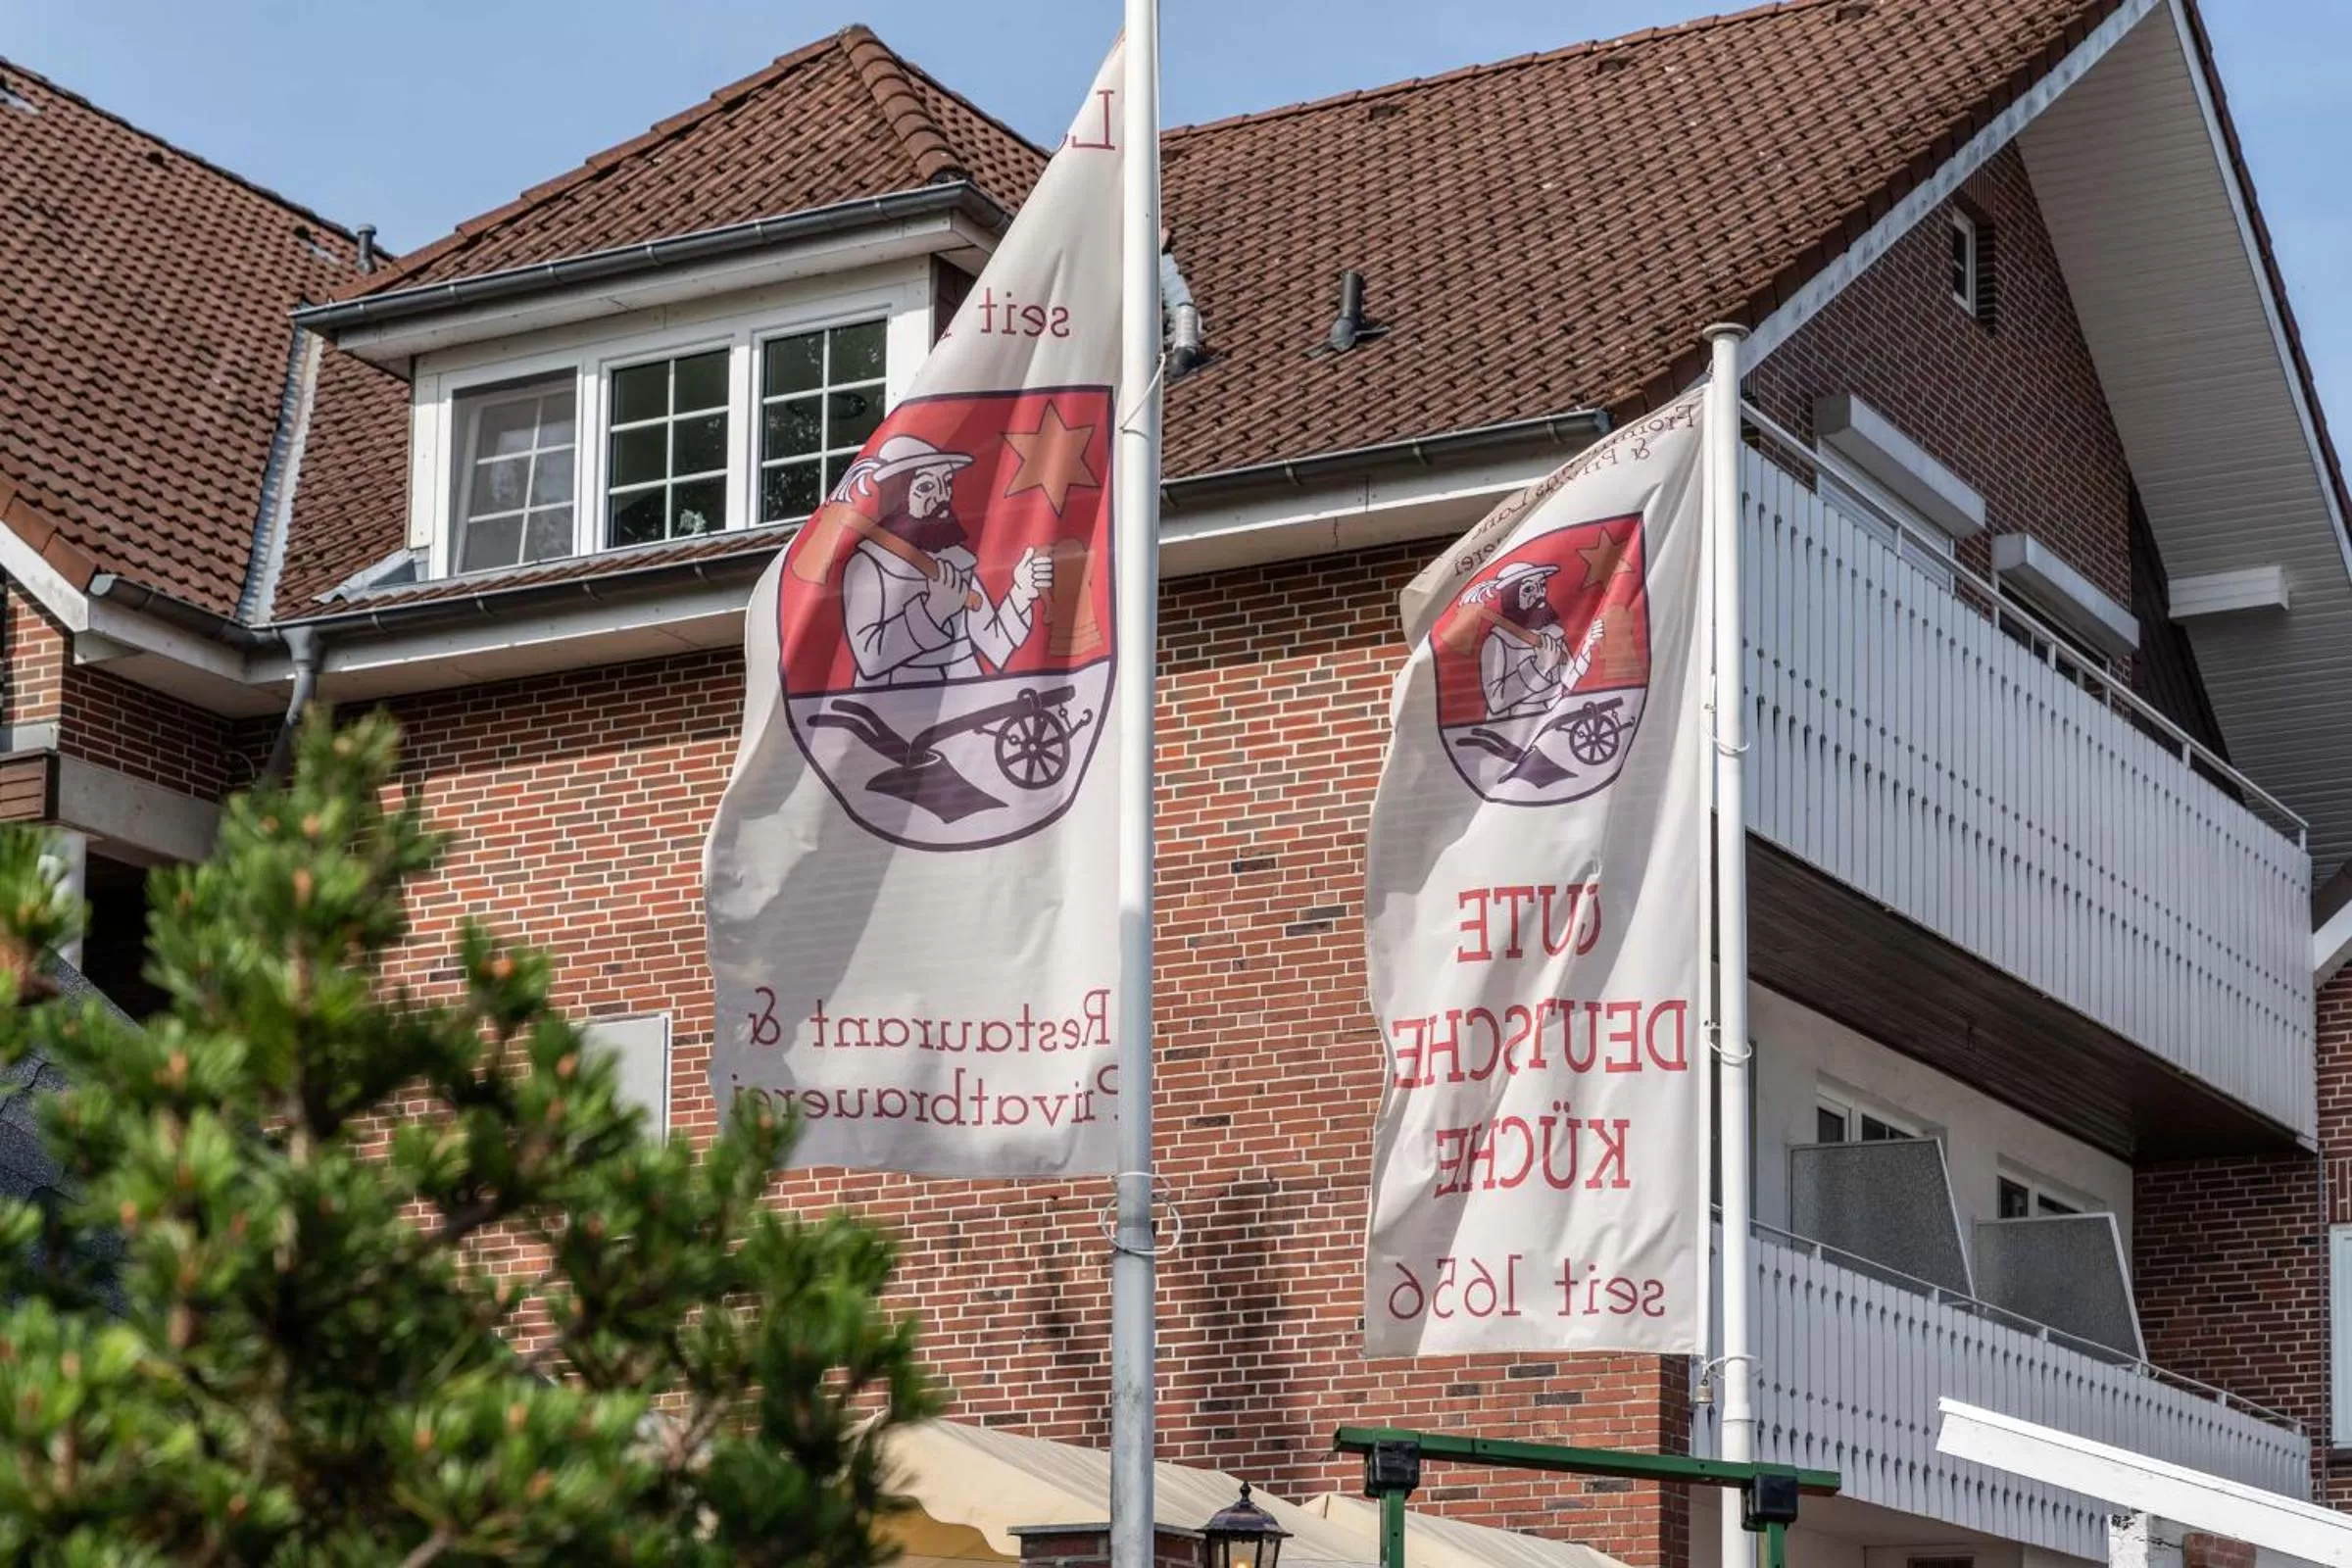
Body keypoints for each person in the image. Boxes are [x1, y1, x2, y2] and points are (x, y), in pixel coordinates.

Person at [835, 435, 1054, 687]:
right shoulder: (868, 566)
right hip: (898, 703)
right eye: (926, 487)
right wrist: (932, 611)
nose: (942, 497)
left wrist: (1020, 594)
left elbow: (995, 644)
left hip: (969, 699)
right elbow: (869, 656)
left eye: (946, 484)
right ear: (897, 496)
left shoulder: (957, 561)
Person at [1468, 561, 1603, 719]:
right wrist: (1539, 666)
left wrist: (1586, 647)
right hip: (1513, 728)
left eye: (1542, 585)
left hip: (1556, 719)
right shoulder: (1497, 642)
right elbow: (1496, 702)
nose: (1540, 594)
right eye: (1528, 589)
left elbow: (1569, 680)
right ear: (1511, 597)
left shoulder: (1553, 634)